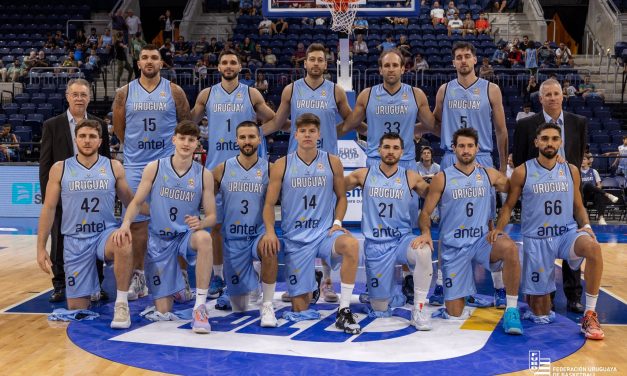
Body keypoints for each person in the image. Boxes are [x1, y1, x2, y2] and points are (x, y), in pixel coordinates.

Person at [496, 123, 604, 340]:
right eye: (544, 138)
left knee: (593, 248)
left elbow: (578, 205)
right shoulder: (522, 171)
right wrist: (499, 231)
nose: (549, 143)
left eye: (555, 139)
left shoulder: (571, 170)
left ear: (560, 142)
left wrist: (587, 226)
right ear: (536, 142)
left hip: (566, 234)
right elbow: (508, 206)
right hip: (536, 238)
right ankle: (533, 302)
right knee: (541, 312)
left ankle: (589, 314)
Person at [416, 127, 523, 335]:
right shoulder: (442, 178)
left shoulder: (489, 174)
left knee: (510, 248)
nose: (466, 150)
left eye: (470, 146)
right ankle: (462, 292)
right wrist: (426, 232)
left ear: (477, 148)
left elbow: (516, 187)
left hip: (481, 241)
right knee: (455, 313)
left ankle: (511, 309)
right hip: (453, 247)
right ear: (454, 148)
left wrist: (499, 227)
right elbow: (426, 213)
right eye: (462, 146)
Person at [260, 113, 361, 334]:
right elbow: (268, 205)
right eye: (303, 131)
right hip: (296, 240)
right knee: (299, 307)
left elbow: (342, 197)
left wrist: (337, 222)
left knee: (352, 245)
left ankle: (343, 311)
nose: (307, 135)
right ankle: (311, 283)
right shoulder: (281, 165)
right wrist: (270, 231)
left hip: (324, 234)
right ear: (295, 135)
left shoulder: (332, 161)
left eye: (312, 131)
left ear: (319, 134)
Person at [112, 120, 216, 334]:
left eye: (191, 140)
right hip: (160, 240)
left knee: (205, 238)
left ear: (198, 143)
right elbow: (136, 202)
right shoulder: (155, 168)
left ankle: (200, 307)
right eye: (183, 139)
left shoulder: (204, 174)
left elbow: (213, 216)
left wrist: (202, 222)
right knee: (163, 310)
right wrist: (125, 224)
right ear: (174, 139)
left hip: (186, 236)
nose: (186, 143)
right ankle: (175, 288)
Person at [190, 49, 277, 299]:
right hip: (218, 168)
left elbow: (275, 120)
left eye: (233, 62)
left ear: (240, 67)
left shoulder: (251, 93)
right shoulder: (207, 95)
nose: (229, 66)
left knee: (256, 221)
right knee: (216, 225)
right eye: (224, 63)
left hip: (250, 167)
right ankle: (218, 276)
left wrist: (258, 135)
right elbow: (189, 124)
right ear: (218, 67)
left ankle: (256, 271)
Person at [431, 41, 508, 307]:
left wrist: (500, 165)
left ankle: (499, 287)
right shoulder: (444, 90)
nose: (463, 61)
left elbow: (501, 130)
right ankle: (442, 284)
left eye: (467, 56)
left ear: (475, 60)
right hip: (451, 158)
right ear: (453, 63)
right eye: (458, 57)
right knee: (447, 226)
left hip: (483, 158)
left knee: (488, 225)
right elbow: (436, 123)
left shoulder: (491, 89)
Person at [113, 44, 192, 302]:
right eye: (145, 57)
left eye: (154, 57)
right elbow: (118, 128)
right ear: (138, 63)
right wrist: (137, 149)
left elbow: (186, 123)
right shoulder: (124, 93)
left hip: (169, 165)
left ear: (161, 63)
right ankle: (138, 276)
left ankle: (180, 276)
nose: (149, 61)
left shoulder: (174, 91)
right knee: (136, 225)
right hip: (135, 166)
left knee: (176, 223)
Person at [37, 120, 134, 328]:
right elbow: (48, 209)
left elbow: (131, 203)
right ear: (76, 139)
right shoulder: (60, 168)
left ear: (100, 141)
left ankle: (121, 303)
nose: (87, 141)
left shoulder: (113, 166)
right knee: (77, 309)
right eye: (82, 136)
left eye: (92, 136)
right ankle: (91, 286)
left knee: (123, 240)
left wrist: (158, 210)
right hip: (74, 241)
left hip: (104, 235)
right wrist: (40, 247)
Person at [513, 78, 588, 313]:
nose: (553, 97)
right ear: (541, 98)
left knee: (572, 241)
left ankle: (574, 295)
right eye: (548, 94)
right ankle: (548, 294)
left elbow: (577, 156)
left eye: (557, 93)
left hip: (568, 192)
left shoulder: (579, 122)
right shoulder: (527, 125)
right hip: (540, 195)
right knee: (543, 246)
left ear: (563, 96)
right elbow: (519, 160)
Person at [345, 133, 433, 329]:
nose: (390, 152)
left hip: (402, 240)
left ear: (402, 152)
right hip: (376, 245)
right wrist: (335, 222)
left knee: (424, 251)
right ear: (379, 150)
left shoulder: (410, 176)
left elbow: (434, 195)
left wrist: (425, 231)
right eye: (386, 147)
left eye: (395, 148)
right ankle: (383, 291)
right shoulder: (363, 174)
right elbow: (334, 189)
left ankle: (418, 309)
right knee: (380, 309)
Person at [39, 79, 111, 303]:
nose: (79, 98)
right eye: (75, 94)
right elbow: (45, 163)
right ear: (67, 96)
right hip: (64, 196)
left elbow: (106, 160)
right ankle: (60, 284)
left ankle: (96, 283)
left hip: (94, 193)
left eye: (83, 94)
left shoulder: (99, 124)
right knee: (59, 240)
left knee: (96, 236)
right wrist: (50, 198)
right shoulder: (52, 125)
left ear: (89, 97)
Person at [211, 121, 278, 326]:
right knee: (238, 307)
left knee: (270, 248)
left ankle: (267, 305)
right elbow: (204, 200)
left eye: (251, 137)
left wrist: (270, 231)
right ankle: (249, 281)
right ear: (236, 140)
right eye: (242, 137)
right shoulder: (221, 170)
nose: (247, 141)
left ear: (259, 139)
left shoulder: (271, 169)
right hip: (233, 239)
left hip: (258, 234)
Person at [581, 154, 619, 225]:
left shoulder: (594, 171)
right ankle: (607, 195)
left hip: (592, 194)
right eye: (581, 159)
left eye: (584, 159)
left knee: (598, 194)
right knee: (587, 184)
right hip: (582, 194)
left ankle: (601, 218)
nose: (582, 161)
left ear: (588, 161)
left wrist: (596, 189)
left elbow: (599, 185)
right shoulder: (577, 171)